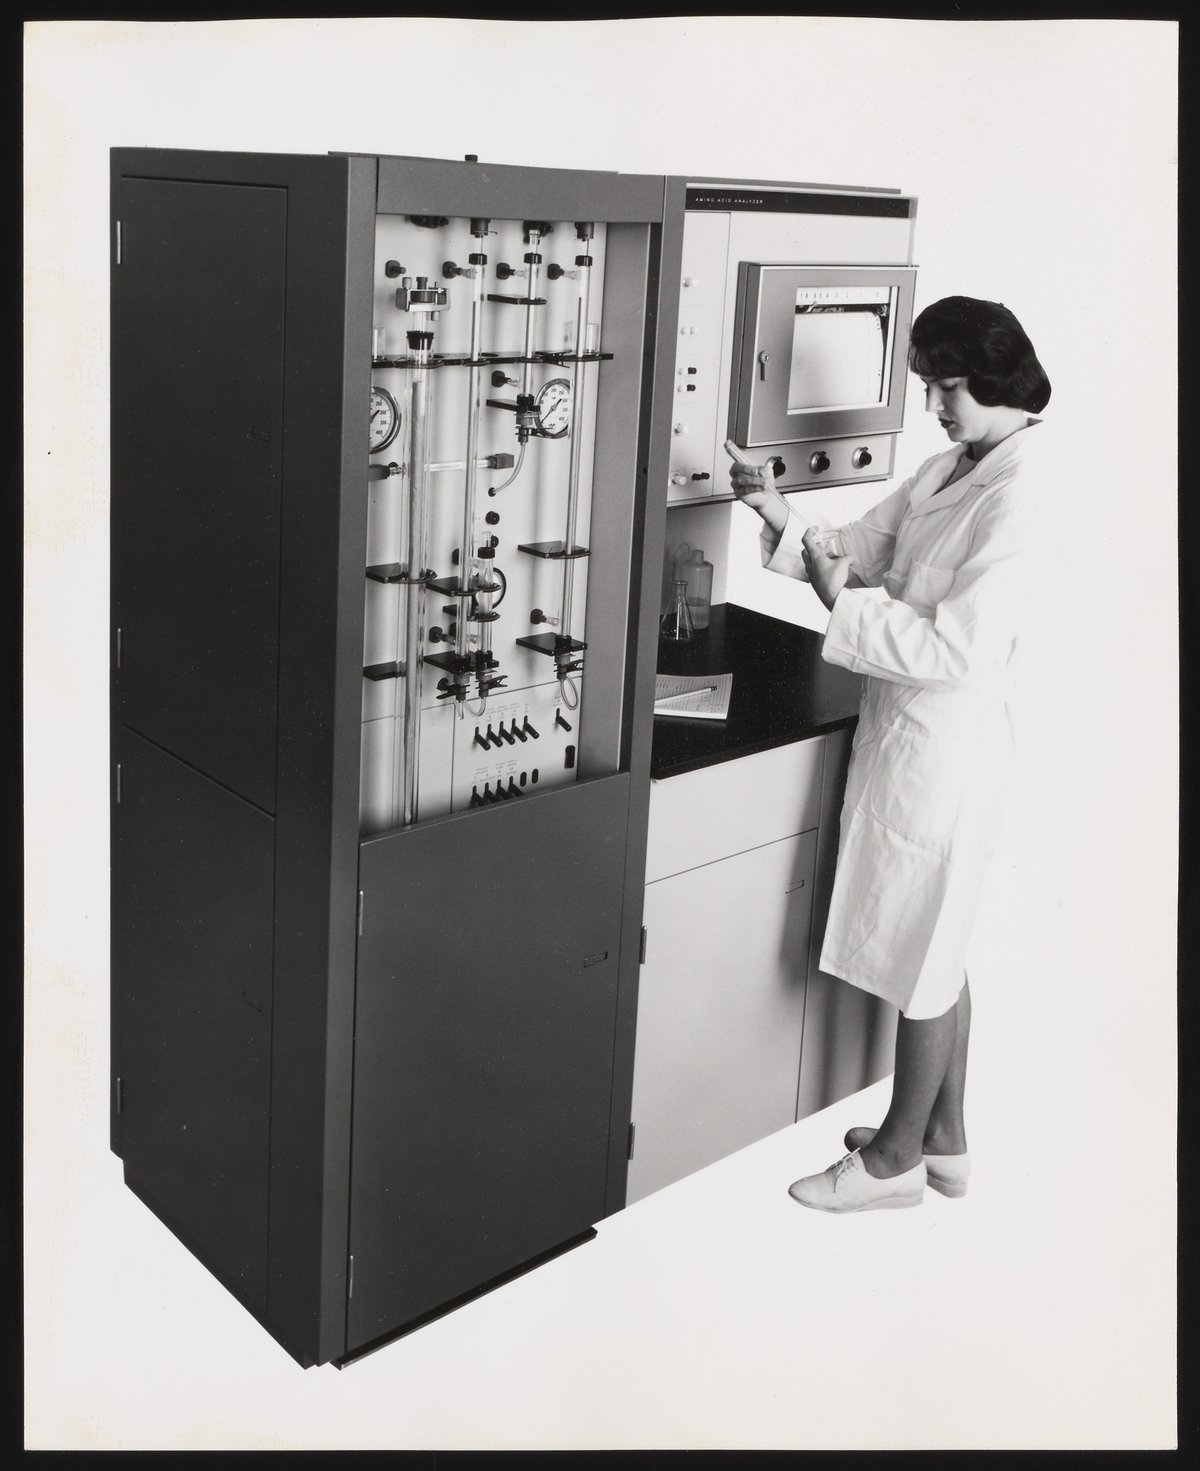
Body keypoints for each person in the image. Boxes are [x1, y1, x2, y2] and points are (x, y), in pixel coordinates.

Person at [731, 295, 1051, 1213]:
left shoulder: (1022, 494)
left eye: (948, 386)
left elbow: (957, 649)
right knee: (934, 945)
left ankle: (894, 1162)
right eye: (927, 386)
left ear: (996, 376)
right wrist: (774, 507)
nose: (934, 405)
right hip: (908, 740)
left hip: (948, 755)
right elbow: (859, 549)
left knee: (926, 957)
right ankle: (945, 1139)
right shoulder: (951, 467)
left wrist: (843, 603)